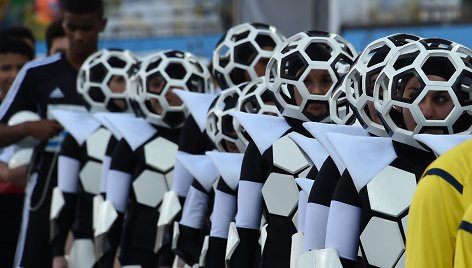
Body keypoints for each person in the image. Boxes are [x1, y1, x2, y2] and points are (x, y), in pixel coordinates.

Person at [321, 38, 472, 268]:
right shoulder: (361, 167)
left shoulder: (465, 169)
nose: (426, 110)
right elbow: (331, 259)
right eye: (413, 96)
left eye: (440, 98)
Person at [229, 31, 357, 268]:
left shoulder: (352, 143)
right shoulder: (264, 141)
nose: (316, 90)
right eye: (307, 80)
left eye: (325, 81)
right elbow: (245, 228)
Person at [0, 0, 108, 267]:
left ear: (101, 25)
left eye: (87, 28)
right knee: (33, 258)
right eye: (72, 28)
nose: (79, 36)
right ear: (63, 24)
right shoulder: (37, 73)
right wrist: (28, 128)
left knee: (98, 258)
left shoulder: (114, 71)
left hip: (101, 185)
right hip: (47, 182)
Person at [300, 33, 420, 256]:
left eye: (399, 88)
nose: (386, 101)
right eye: (377, 87)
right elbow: (315, 254)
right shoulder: (341, 165)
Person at [95, 50, 211, 268]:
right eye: (157, 84)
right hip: (138, 252)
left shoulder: (210, 137)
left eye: (178, 85)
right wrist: (104, 263)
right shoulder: (130, 138)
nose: (168, 93)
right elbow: (111, 209)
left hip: (190, 253)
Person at [50, 48, 138, 268]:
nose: (126, 86)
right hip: (86, 242)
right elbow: (65, 196)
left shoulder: (143, 133)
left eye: (130, 78)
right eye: (118, 80)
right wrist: (58, 251)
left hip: (135, 243)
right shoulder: (78, 134)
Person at [0, 35, 34, 268]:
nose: (13, 74)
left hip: (32, 204)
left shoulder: (41, 109)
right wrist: (5, 173)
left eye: (21, 68)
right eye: (5, 68)